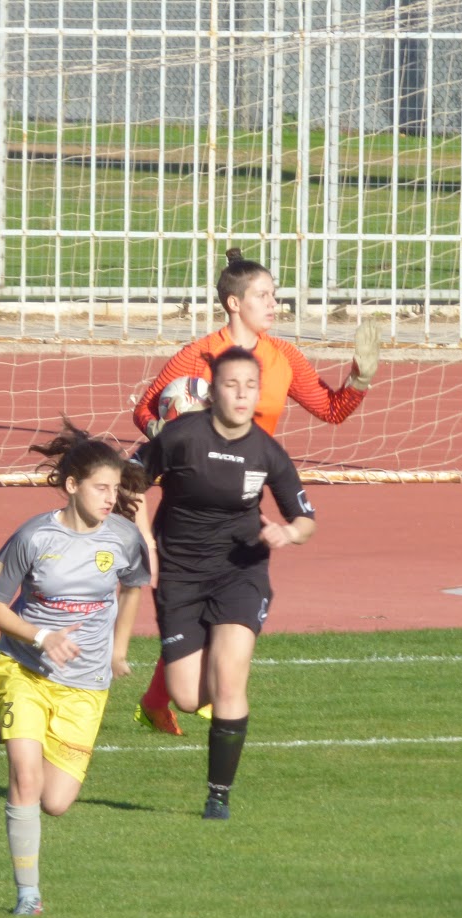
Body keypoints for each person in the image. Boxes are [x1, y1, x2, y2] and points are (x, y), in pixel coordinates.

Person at [130, 247, 378, 734]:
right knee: (198, 598)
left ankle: (158, 700)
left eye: (274, 295)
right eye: (263, 295)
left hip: (244, 492)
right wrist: (171, 429)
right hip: (191, 497)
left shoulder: (283, 357)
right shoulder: (198, 355)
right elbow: (145, 410)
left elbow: (331, 410)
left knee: (226, 597)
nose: (273, 304)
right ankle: (163, 693)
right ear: (233, 303)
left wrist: (360, 378)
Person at [0, 424, 151, 916]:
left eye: (115, 488)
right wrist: (41, 637)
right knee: (26, 781)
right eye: (101, 487)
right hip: (26, 669)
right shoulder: (34, 536)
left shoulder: (124, 538)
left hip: (86, 685)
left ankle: (5, 729)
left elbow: (134, 587)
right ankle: (28, 895)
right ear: (72, 485)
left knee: (55, 802)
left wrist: (118, 650)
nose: (110, 498)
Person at [137, 345, 315, 820]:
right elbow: (131, 482)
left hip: (241, 571)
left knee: (230, 678)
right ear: (212, 392)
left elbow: (305, 518)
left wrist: (288, 532)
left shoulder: (266, 451)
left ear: (258, 394)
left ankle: (218, 796)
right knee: (188, 696)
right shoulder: (181, 437)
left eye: (250, 386)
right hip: (179, 575)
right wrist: (144, 541)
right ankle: (183, 683)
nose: (241, 394)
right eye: (231, 385)